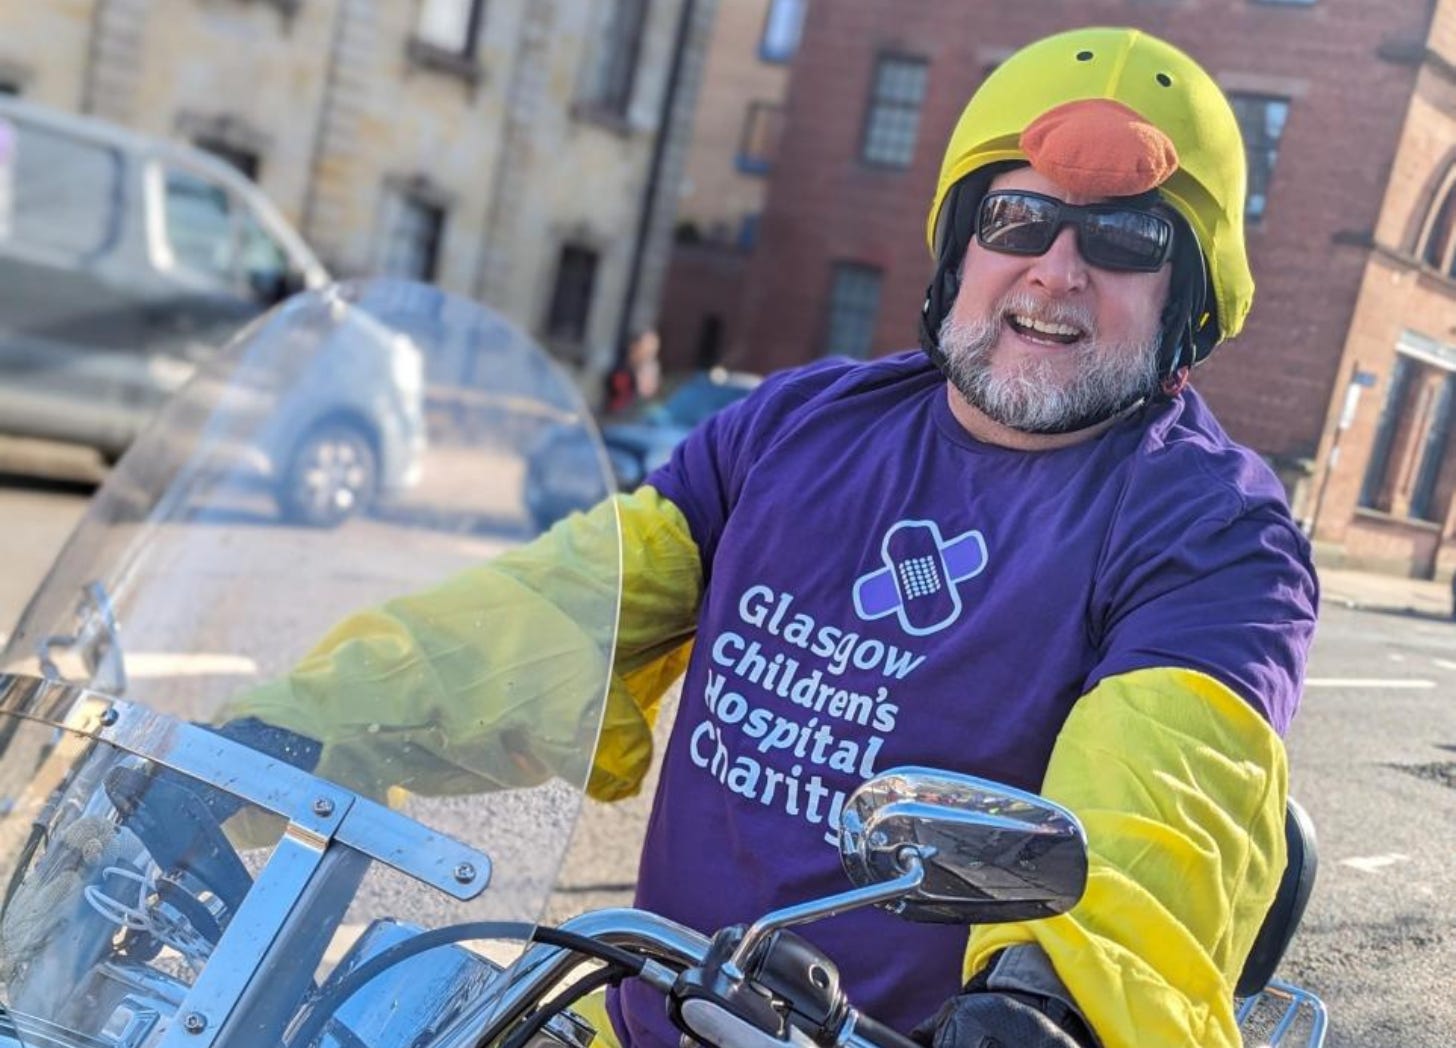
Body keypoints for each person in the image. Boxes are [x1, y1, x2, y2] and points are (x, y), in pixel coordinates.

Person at [226, 27, 1317, 1048]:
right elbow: (553, 605)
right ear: (960, 243)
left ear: (1190, 294)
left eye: (1123, 241)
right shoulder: (796, 426)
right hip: (638, 1015)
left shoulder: (1213, 532)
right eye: (1019, 221)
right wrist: (269, 742)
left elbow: (1160, 814)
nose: (1056, 270)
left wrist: (1051, 1003)